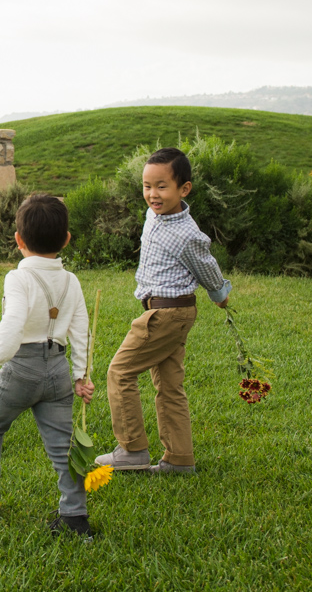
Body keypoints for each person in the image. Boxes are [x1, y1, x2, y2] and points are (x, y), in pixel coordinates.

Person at [0, 195, 95, 539]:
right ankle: (75, 516)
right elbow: (81, 330)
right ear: (66, 239)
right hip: (58, 371)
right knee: (63, 446)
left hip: (21, 369)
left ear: (18, 240)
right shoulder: (71, 281)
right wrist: (81, 375)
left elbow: (14, 324)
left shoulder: (17, 279)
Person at [95, 147, 231, 474]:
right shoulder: (153, 215)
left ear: (184, 189)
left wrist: (219, 293)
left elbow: (207, 267)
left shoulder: (186, 234)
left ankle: (132, 450)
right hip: (167, 310)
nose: (152, 194)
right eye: (146, 186)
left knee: (120, 372)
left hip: (166, 315)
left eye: (161, 186)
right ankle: (179, 460)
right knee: (169, 385)